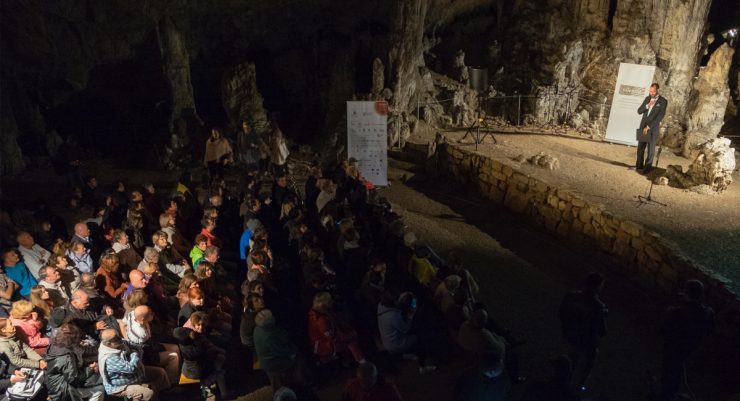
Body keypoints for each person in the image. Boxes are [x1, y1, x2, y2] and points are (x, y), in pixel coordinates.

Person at [660, 279, 715, 401]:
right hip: (692, 346)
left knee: (670, 369)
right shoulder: (707, 312)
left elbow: (664, 328)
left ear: (686, 292)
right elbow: (711, 329)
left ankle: (667, 394)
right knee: (678, 367)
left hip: (674, 346)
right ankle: (671, 391)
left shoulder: (676, 312)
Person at [557, 272, 607, 392]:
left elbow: (560, 315)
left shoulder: (570, 296)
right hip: (585, 343)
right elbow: (602, 331)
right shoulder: (598, 307)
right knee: (590, 359)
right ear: (598, 287)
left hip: (568, 335)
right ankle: (576, 388)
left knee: (570, 360)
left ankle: (561, 384)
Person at [97, 328, 169, 400]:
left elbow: (136, 346)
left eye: (118, 335)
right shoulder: (110, 358)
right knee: (148, 393)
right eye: (116, 338)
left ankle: (164, 394)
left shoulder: (119, 342)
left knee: (160, 373)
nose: (120, 338)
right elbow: (131, 368)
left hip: (137, 374)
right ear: (109, 344)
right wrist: (134, 353)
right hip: (121, 386)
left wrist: (136, 349)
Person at [44, 323, 105, 401]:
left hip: (54, 384)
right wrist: (91, 369)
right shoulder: (66, 356)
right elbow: (73, 378)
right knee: (100, 389)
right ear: (72, 339)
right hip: (63, 390)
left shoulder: (54, 345)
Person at [634, 83, 668, 174]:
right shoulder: (647, 98)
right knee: (640, 148)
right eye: (650, 91)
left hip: (653, 129)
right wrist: (647, 106)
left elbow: (660, 117)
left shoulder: (663, 101)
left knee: (650, 150)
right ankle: (639, 166)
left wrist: (649, 127)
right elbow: (639, 111)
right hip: (643, 126)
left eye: (653, 91)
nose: (651, 93)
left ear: (657, 91)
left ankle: (647, 169)